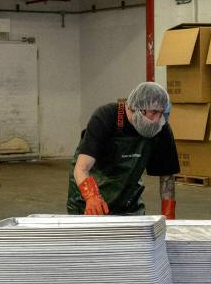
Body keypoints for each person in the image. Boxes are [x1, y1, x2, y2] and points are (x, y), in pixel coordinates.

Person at [67, 82, 179, 219]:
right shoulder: (105, 117)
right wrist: (92, 197)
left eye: (162, 113)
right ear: (136, 108)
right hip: (87, 201)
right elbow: (81, 168)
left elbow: (167, 177)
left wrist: (169, 216)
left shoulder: (161, 129)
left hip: (128, 202)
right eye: (153, 112)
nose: (157, 120)